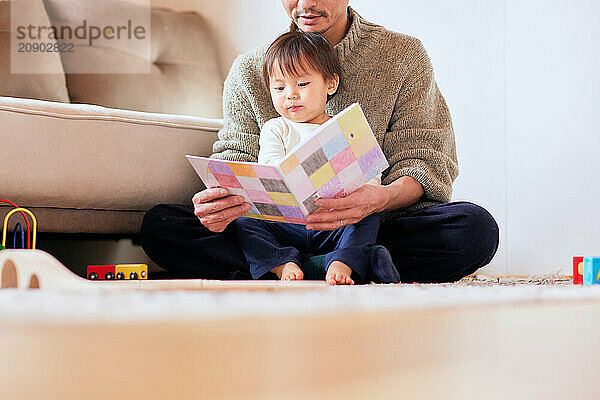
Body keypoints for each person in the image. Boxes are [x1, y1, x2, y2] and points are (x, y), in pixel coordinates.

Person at [139, 0, 500, 283]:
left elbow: (424, 161)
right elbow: (238, 158)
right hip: (275, 229)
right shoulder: (250, 69)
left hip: (369, 222)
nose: (306, 3)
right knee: (161, 227)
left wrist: (379, 198)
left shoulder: (402, 57)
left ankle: (307, 266)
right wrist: (219, 205)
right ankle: (340, 268)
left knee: (474, 230)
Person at [231, 31, 399, 285]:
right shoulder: (276, 128)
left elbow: (370, 177)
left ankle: (341, 262)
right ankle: (282, 264)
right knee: (242, 221)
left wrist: (361, 196)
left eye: (302, 84)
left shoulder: (345, 129)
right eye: (279, 87)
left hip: (333, 221)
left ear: (330, 84)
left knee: (367, 220)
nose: (290, 94)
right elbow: (269, 168)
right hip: (285, 224)